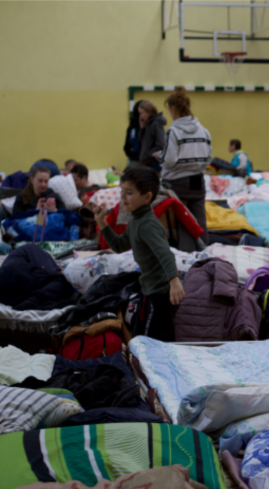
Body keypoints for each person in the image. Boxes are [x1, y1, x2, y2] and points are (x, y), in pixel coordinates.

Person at [94, 167, 185, 341]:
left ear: (147, 197)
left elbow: (166, 253)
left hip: (162, 296)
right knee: (140, 339)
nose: (122, 197)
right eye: (122, 191)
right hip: (149, 292)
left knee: (150, 344)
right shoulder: (136, 221)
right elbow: (119, 245)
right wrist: (102, 222)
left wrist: (174, 281)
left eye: (128, 193)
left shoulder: (147, 225)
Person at [161, 88, 213, 231]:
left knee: (181, 221)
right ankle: (203, 251)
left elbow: (170, 160)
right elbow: (208, 159)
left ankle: (185, 252)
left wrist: (159, 156)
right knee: (199, 219)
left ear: (173, 108)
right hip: (197, 179)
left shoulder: (173, 131)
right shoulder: (204, 131)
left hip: (177, 181)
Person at [137, 100, 167, 172]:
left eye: (141, 113)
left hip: (153, 163)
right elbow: (142, 142)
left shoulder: (155, 124)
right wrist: (142, 128)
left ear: (149, 112)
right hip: (147, 162)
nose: (140, 116)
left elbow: (161, 144)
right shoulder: (147, 124)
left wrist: (148, 153)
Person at [124, 103, 143, 169]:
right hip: (140, 160)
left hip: (132, 159)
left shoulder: (131, 126)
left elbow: (126, 148)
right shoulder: (144, 126)